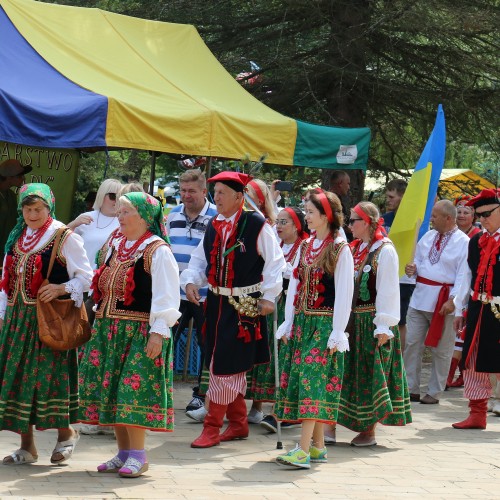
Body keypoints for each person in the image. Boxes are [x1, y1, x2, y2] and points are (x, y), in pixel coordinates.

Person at [78, 192, 181, 477]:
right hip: (109, 330)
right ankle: (123, 453)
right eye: (119, 211)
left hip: (140, 332)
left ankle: (139, 455)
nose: (120, 216)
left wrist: (158, 332)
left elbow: (167, 295)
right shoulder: (115, 244)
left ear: (144, 217)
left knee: (132, 392)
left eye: (126, 212)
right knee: (112, 393)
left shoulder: (156, 250)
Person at [181, 171, 285, 448]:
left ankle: (212, 427)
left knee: (225, 366)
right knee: (221, 363)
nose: (216, 198)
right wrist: (191, 281)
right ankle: (238, 424)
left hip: (243, 307)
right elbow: (199, 261)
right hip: (215, 304)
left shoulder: (256, 224)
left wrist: (269, 297)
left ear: (240, 197)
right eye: (214, 193)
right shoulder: (213, 225)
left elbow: (275, 261)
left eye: (221, 193)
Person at [0, 183, 92, 465]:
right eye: (27, 209)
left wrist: (61, 289)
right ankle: (27, 447)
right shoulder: (17, 237)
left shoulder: (64, 236)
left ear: (49, 207)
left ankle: (66, 435)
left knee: (49, 381)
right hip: (17, 322)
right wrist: (2, 315)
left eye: (37, 208)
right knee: (16, 381)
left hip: (48, 322)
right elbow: (5, 281)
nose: (32, 214)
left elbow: (87, 277)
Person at [274, 189, 354, 469]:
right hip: (304, 322)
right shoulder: (306, 246)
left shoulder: (340, 250)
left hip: (324, 324)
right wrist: (288, 320)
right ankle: (318, 446)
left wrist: (338, 331)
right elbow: (294, 284)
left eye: (310, 212)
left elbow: (345, 293)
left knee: (311, 381)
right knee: (307, 382)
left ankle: (303, 449)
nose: (305, 217)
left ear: (326, 216)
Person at [336, 202, 411, 446]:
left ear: (367, 222)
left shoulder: (385, 251)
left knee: (369, 375)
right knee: (350, 374)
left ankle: (369, 430)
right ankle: (338, 425)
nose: (349, 225)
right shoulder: (356, 248)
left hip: (372, 322)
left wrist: (383, 326)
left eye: (353, 220)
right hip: (353, 322)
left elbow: (388, 291)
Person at [403, 200, 469, 404]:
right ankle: (410, 388)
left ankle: (434, 391)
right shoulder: (430, 235)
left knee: (442, 348)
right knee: (412, 343)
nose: (431, 220)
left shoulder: (463, 241)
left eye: (434, 216)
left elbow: (464, 274)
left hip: (443, 300)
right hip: (420, 296)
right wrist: (413, 269)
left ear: (448, 218)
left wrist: (455, 300)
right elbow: (421, 259)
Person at [166, 169, 216, 417]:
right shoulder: (172, 215)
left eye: (191, 191)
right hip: (174, 293)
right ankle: (162, 392)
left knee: (207, 345)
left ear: (204, 192)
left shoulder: (217, 217)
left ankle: (200, 397)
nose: (186, 195)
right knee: (166, 340)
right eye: (183, 190)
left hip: (206, 293)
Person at [256, 207, 309, 433]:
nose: (278, 226)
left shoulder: (304, 247)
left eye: (283, 222)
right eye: (277, 222)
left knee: (287, 357)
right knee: (273, 356)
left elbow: (293, 273)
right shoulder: (278, 246)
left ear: (297, 226)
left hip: (293, 307)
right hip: (275, 305)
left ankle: (285, 411)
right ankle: (271, 407)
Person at [451, 188, 500, 429]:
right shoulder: (476, 241)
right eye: (479, 215)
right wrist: (460, 310)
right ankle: (477, 414)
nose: (483, 219)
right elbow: (466, 276)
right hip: (479, 308)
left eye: (488, 213)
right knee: (473, 361)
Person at [244, 178, 279, 423]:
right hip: (238, 295)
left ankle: (256, 406)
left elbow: (275, 263)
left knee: (258, 349)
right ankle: (225, 403)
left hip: (259, 294)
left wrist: (268, 294)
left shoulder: (266, 226)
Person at [446, 195, 481, 389]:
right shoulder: (452, 233)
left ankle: (457, 373)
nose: (461, 214)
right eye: (458, 211)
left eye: (466, 211)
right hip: (453, 286)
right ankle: (453, 372)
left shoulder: (477, 234)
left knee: (462, 332)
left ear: (473, 216)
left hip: (470, 287)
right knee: (455, 331)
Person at [381, 179, 414, 349]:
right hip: (384, 274)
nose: (388, 200)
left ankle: (399, 359)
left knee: (400, 321)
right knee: (383, 318)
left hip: (403, 278)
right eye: (387, 196)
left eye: (392, 196)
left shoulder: (414, 220)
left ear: (403, 197)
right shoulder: (384, 219)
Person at [68, 179, 122, 269]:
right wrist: (74, 224)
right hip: (81, 277)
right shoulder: (85, 217)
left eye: (120, 197)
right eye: (113, 196)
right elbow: (62, 240)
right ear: (101, 195)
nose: (116, 200)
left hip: (106, 279)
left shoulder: (123, 221)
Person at [0, 159, 32, 265]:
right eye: (20, 176)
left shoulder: (11, 196)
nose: (23, 178)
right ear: (9, 177)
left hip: (5, 252)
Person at [329, 170, 352, 241]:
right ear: (340, 183)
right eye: (348, 183)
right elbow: (335, 224)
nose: (349, 187)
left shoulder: (335, 199)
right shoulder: (331, 201)